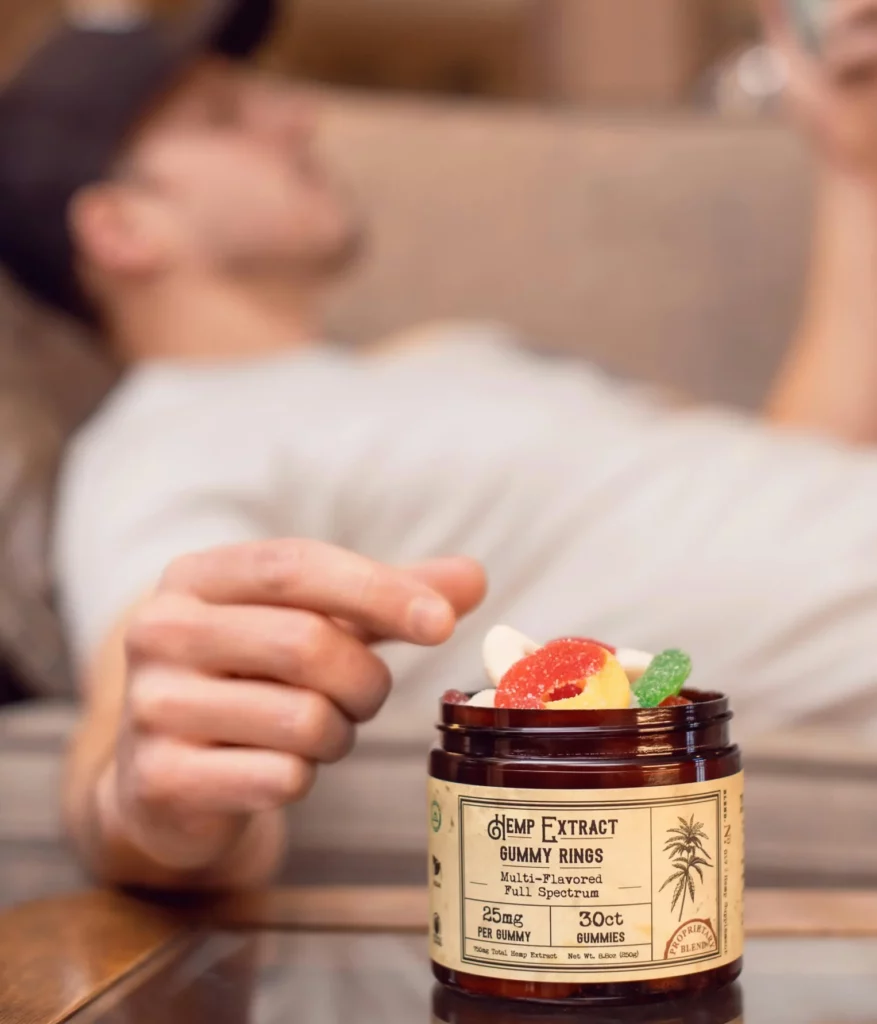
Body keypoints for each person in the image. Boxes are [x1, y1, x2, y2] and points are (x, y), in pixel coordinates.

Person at [1, 0, 877, 892]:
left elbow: (780, 481)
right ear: (121, 228)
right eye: (226, 119)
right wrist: (154, 802)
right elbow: (138, 736)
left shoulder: (445, 356)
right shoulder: (166, 438)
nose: (298, 117)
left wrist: (853, 167)